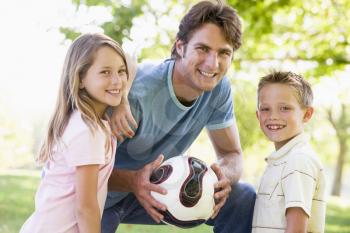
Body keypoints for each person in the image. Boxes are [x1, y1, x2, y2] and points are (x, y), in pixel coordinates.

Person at [102, 1, 256, 233]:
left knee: (241, 196)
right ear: (180, 47)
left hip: (157, 193)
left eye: (224, 53)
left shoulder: (219, 88)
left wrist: (222, 178)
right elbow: (83, 168)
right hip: (98, 193)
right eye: (202, 49)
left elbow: (231, 154)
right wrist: (134, 182)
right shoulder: (135, 94)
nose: (212, 64)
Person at [20, 33, 131, 233]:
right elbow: (86, 208)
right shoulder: (87, 130)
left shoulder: (85, 122)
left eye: (121, 71)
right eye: (105, 72)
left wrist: (123, 101)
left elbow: (132, 61)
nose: (116, 81)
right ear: (80, 79)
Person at [252, 71, 326, 233]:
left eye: (284, 108)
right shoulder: (281, 160)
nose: (273, 116)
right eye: (265, 109)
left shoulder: (298, 161)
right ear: (258, 115)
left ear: (307, 114)